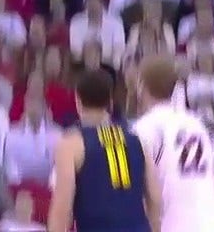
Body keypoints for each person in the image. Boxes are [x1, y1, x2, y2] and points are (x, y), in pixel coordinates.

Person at [48, 69, 161, 232]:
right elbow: (155, 197)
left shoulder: (71, 145)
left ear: (77, 101)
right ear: (110, 101)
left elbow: (62, 209)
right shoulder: (137, 139)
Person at [131, 56, 214, 232]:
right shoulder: (195, 123)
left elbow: (143, 193)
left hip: (176, 225)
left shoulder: (143, 129)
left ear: (141, 86)